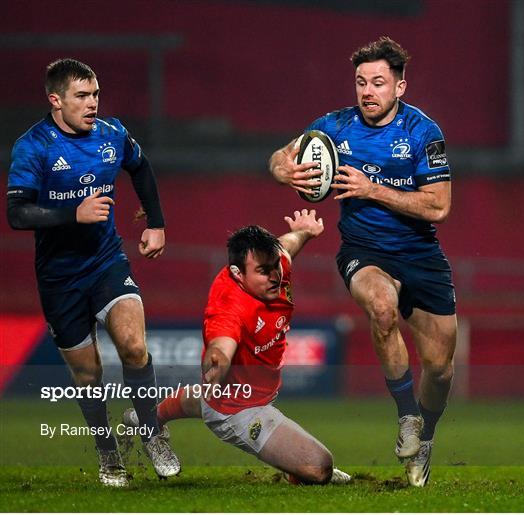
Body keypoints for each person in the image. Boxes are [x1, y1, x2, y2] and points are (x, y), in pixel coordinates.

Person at [268, 37, 457, 487]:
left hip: (421, 255)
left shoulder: (422, 133)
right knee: (382, 308)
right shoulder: (334, 127)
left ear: (400, 87)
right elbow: (280, 155)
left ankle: (424, 437)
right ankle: (407, 415)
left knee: (441, 367)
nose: (367, 91)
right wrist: (283, 170)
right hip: (363, 251)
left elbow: (438, 207)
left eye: (378, 82)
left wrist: (373, 189)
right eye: (360, 82)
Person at [6, 58, 180, 487]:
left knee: (135, 347)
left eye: (96, 94)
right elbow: (16, 213)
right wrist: (74, 213)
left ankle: (153, 433)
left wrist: (156, 222)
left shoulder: (112, 134)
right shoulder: (33, 147)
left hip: (106, 262)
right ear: (55, 100)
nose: (92, 103)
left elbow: (140, 168)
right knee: (89, 376)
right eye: (81, 96)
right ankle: (108, 454)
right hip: (59, 279)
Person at [124, 210, 350, 484]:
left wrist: (304, 231)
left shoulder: (273, 264)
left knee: (206, 399)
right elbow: (221, 347)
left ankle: (151, 417)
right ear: (237, 273)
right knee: (320, 467)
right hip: (239, 411)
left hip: (243, 391)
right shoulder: (230, 308)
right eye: (263, 271)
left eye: (275, 266)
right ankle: (298, 469)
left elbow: (287, 246)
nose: (274, 276)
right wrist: (216, 363)